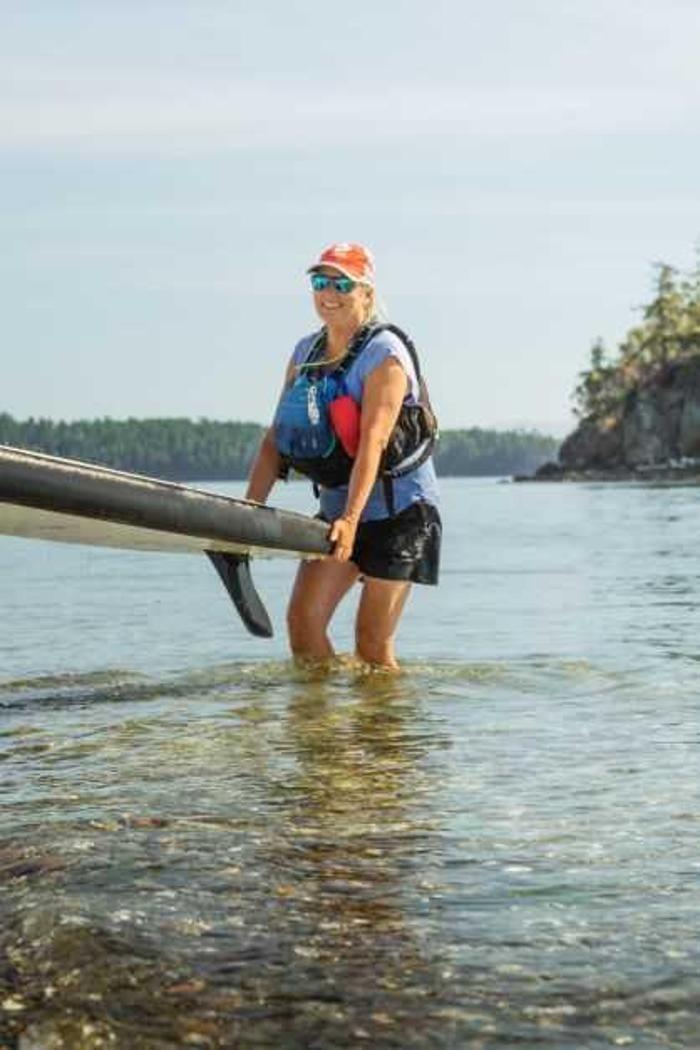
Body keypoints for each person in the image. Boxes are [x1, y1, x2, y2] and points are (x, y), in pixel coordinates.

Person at [245, 242, 441, 671]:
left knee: (371, 645)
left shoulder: (384, 353)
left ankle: (387, 733)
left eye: (341, 283)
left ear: (366, 293)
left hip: (400, 512)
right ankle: (326, 733)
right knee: (303, 625)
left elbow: (373, 439)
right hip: (338, 511)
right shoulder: (305, 353)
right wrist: (248, 512)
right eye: (320, 281)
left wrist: (352, 522)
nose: (328, 292)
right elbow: (275, 438)